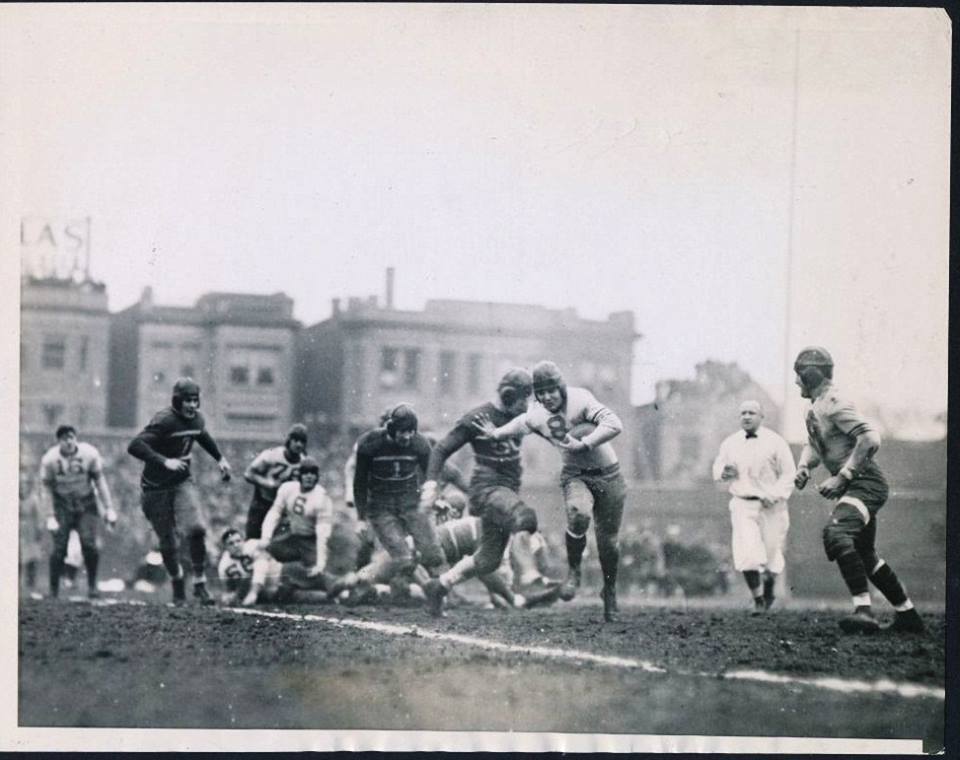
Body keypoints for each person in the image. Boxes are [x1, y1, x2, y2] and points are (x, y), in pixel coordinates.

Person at [473, 360, 626, 622]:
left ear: (561, 387)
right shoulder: (537, 413)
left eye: (551, 390)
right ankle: (574, 571)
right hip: (576, 475)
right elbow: (521, 423)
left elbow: (615, 424)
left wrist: (585, 443)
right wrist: (496, 434)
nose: (546, 397)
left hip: (609, 475)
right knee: (578, 514)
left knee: (608, 542)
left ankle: (609, 590)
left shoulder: (581, 400)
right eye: (540, 392)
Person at [793, 347, 924, 634]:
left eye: (798, 376)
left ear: (809, 374)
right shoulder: (816, 405)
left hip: (866, 483)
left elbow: (870, 438)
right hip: (856, 484)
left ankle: (863, 611)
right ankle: (908, 615)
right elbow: (816, 445)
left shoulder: (834, 402)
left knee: (836, 533)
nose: (796, 382)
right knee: (865, 553)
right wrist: (804, 466)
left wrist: (843, 476)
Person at [420, 368, 540, 617]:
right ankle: (531, 577)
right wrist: (431, 484)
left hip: (506, 490)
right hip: (487, 488)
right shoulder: (478, 417)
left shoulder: (522, 416)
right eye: (522, 398)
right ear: (508, 396)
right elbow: (441, 449)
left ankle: (438, 586)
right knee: (525, 517)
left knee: (488, 559)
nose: (526, 404)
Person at [128, 377, 232, 606]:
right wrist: (164, 461)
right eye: (188, 400)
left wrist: (220, 458)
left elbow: (201, 435)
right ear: (177, 401)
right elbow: (135, 445)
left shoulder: (196, 419)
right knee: (168, 542)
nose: (192, 405)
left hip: (181, 482)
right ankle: (177, 582)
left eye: (195, 400)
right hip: (155, 489)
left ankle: (200, 583)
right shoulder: (165, 420)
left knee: (196, 528)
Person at [352, 404, 448, 599]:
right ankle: (426, 593)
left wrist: (435, 499)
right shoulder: (370, 444)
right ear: (391, 429)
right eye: (402, 432)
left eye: (411, 431)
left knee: (433, 555)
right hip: (381, 507)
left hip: (409, 502)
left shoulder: (420, 444)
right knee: (403, 557)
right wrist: (360, 517)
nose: (407, 436)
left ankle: (428, 592)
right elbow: (360, 482)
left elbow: (430, 475)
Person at [712, 400, 796, 614]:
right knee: (748, 553)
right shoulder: (730, 443)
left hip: (772, 507)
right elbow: (718, 466)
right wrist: (724, 472)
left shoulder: (776, 442)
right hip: (743, 504)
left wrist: (775, 494)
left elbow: (788, 474)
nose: (747, 417)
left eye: (751, 413)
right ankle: (758, 600)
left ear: (761, 417)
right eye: (743, 413)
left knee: (772, 554)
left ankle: (768, 591)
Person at [243, 456, 335, 605]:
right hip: (291, 538)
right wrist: (266, 537)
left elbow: (322, 535)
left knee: (316, 575)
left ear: (317, 477)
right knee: (264, 549)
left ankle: (342, 590)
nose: (309, 477)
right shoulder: (288, 488)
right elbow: (274, 513)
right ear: (299, 475)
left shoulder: (322, 498)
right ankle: (264, 588)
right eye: (306, 473)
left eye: (313, 473)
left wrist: (321, 562)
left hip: (310, 542)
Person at [39, 425, 118, 599]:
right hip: (62, 504)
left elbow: (99, 481)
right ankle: (53, 590)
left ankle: (92, 586)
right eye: (64, 438)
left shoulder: (89, 454)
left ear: (76, 438)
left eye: (71, 437)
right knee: (59, 548)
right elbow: (46, 490)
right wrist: (50, 515)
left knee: (89, 544)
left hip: (85, 503)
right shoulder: (50, 460)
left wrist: (109, 508)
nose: (68, 442)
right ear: (58, 441)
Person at [243, 424, 309, 539]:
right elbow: (248, 474)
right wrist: (267, 483)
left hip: (284, 509)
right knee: (253, 540)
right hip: (262, 502)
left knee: (277, 545)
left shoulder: (304, 463)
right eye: (296, 440)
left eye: (302, 442)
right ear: (289, 440)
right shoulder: (272, 455)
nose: (299, 444)